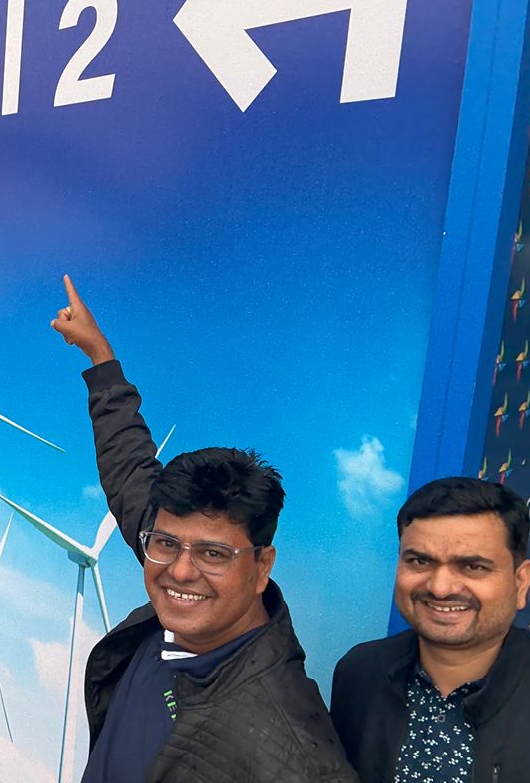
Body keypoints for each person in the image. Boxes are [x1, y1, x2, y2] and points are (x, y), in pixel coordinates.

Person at [52, 274, 355, 782]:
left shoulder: (293, 751)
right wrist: (101, 359)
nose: (181, 571)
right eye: (166, 543)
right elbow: (130, 468)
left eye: (214, 554)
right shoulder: (175, 565)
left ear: (262, 566)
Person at [330, 477, 530, 782]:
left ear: (521, 582)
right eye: (420, 561)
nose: (439, 588)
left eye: (472, 566)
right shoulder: (359, 674)